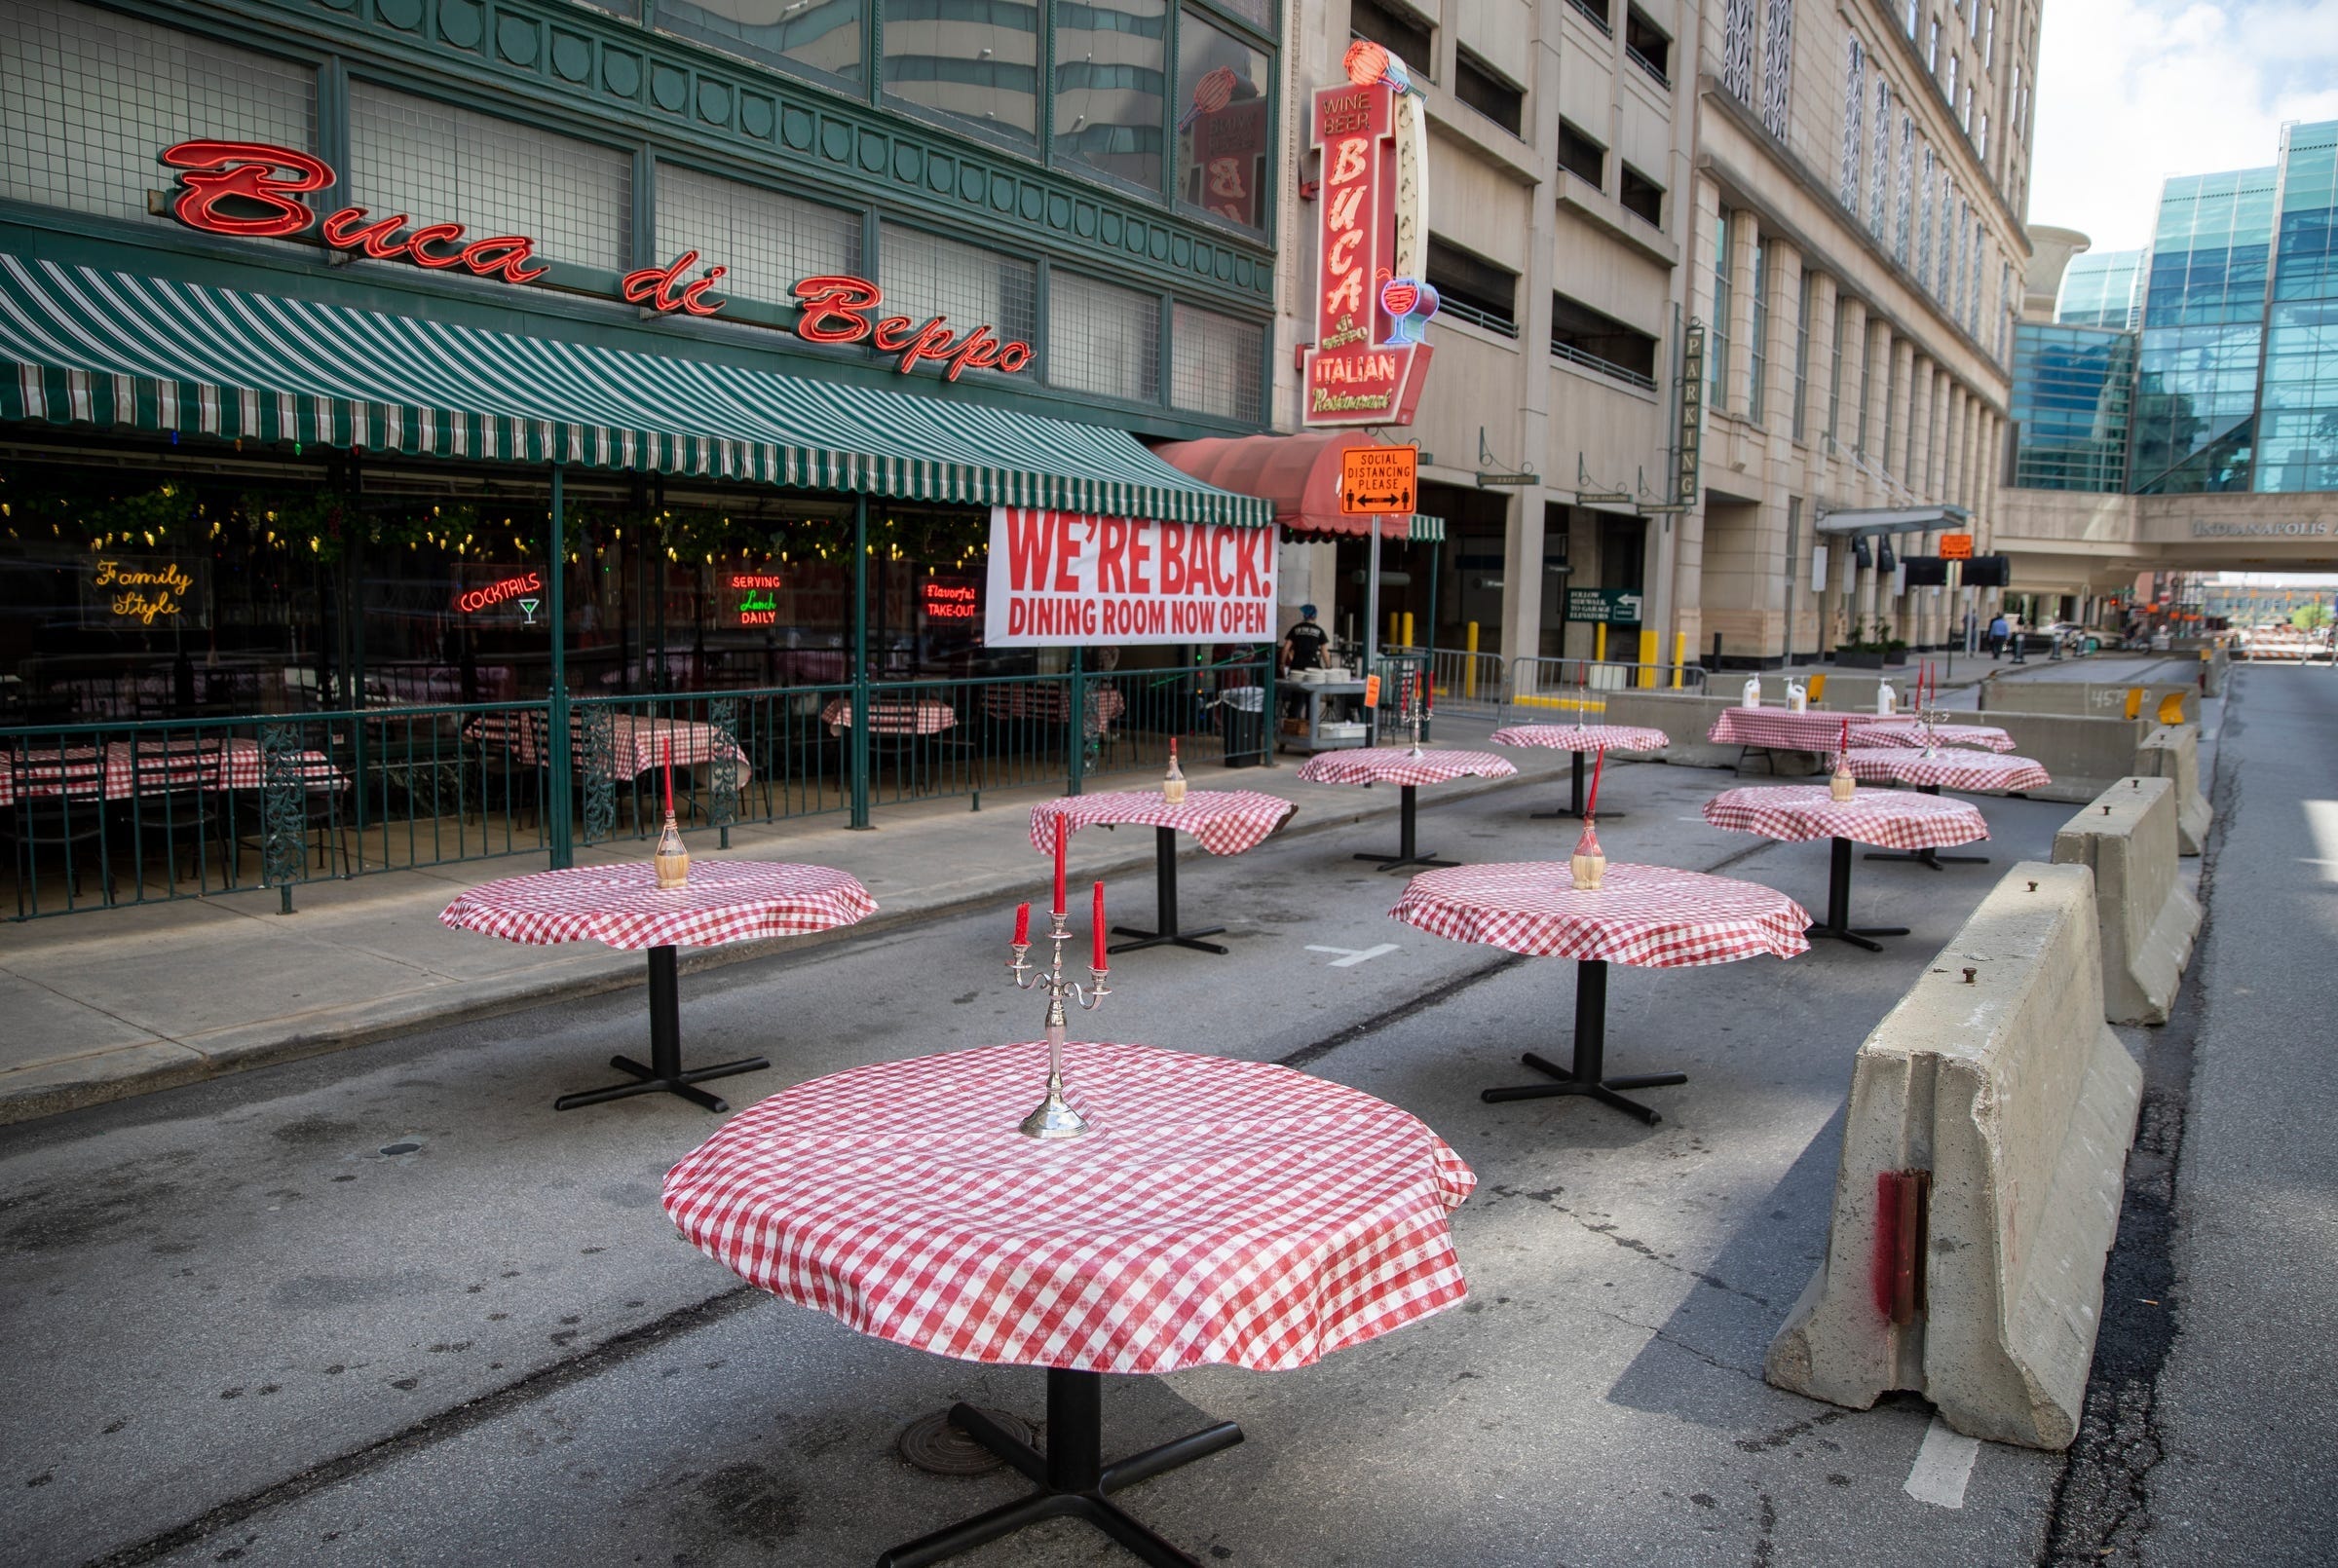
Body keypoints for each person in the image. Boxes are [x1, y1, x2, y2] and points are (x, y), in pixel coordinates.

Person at [1282, 604, 1330, 674]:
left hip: (1296, 665)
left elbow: (1286, 648)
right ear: (1315, 616)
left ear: (1304, 616)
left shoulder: (1295, 628)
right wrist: (1328, 666)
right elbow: (1324, 652)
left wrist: (1282, 663)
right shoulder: (1319, 630)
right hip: (1312, 666)